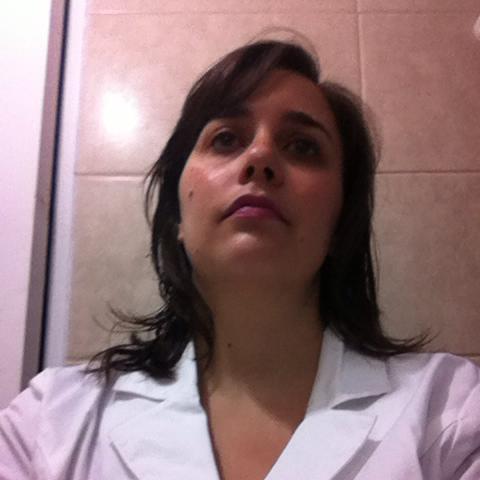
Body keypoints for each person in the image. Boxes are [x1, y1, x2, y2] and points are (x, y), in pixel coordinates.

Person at [1, 39, 479, 480]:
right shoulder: (48, 424)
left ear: (340, 222)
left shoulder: (450, 414)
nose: (260, 157)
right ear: (177, 215)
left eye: (303, 146)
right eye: (226, 139)